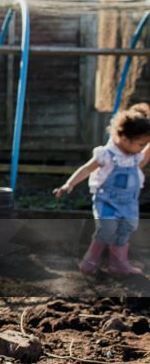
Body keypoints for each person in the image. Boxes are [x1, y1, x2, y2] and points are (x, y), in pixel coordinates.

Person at [54, 104, 150, 276]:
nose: (141, 148)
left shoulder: (133, 156)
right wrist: (69, 184)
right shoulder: (107, 154)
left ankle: (118, 265)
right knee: (106, 229)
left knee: (124, 230)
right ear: (125, 140)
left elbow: (142, 160)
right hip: (107, 200)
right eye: (141, 144)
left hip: (129, 202)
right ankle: (89, 262)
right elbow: (86, 169)